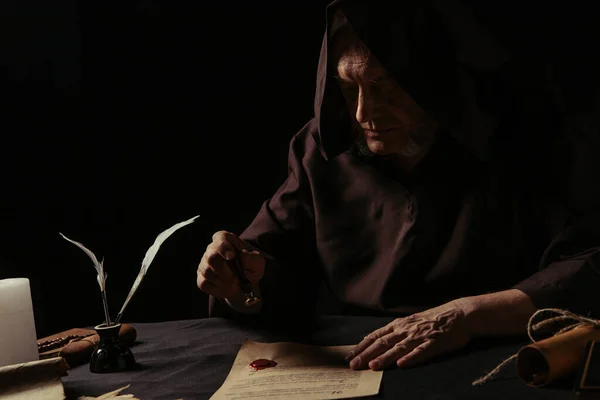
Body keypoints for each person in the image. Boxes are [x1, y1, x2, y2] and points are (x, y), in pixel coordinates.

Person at [197, 0, 600, 371]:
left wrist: (467, 315)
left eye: (385, 85)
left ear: (434, 78)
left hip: (497, 354)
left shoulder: (530, 140)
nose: (363, 112)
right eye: (347, 87)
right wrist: (237, 278)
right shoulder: (322, 149)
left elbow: (589, 262)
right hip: (360, 361)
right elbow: (269, 261)